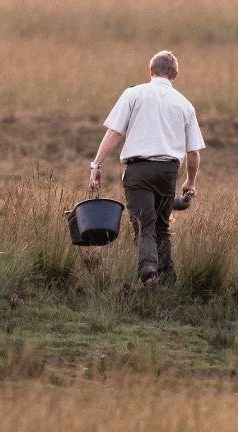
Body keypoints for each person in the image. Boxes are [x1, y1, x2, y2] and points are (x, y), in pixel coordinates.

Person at [87, 51, 205, 287]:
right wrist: (190, 183)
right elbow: (193, 153)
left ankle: (148, 271)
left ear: (150, 72)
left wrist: (96, 165)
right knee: (162, 226)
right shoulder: (184, 104)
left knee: (143, 224)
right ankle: (168, 278)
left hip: (138, 171)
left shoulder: (133, 94)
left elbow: (115, 132)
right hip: (168, 172)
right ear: (175, 75)